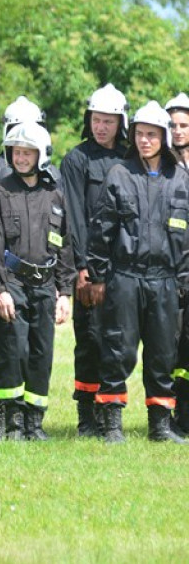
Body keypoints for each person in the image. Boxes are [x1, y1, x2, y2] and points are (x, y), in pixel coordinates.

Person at [88, 101, 189, 444]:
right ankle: (111, 423)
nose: (145, 140)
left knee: (163, 353)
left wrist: (184, 281)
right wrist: (97, 275)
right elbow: (102, 230)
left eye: (152, 135)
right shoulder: (119, 174)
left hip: (165, 281)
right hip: (125, 277)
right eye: (140, 134)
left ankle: (160, 425)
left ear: (164, 138)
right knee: (118, 349)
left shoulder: (181, 180)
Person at [0, 96, 62, 437]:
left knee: (41, 353)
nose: (21, 157)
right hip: (11, 282)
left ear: (41, 153)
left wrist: (65, 290)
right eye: (16, 151)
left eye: (28, 152)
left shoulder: (54, 193)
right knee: (12, 350)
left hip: (45, 285)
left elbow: (63, 243)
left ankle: (34, 421)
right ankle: (8, 420)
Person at [59, 83, 128, 437]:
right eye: (96, 120)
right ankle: (87, 415)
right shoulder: (76, 160)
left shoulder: (130, 158)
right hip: (90, 267)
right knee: (90, 340)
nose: (101, 127)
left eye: (108, 121)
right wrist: (82, 268)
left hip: (127, 268)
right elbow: (72, 216)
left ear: (121, 123)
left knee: (119, 342)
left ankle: (109, 411)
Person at [166, 93, 189, 434]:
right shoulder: (164, 167)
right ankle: (173, 415)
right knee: (172, 347)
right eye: (172, 125)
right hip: (171, 269)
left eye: (184, 125)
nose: (178, 131)